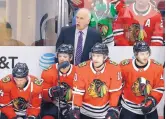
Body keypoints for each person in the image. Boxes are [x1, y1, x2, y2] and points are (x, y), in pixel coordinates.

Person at [69, 43, 123, 119]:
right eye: (93, 55)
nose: (95, 59)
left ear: (105, 57)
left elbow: (115, 92)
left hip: (104, 112)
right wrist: (76, 108)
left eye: (98, 56)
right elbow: (78, 92)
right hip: (85, 111)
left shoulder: (114, 68)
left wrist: (113, 109)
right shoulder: (81, 68)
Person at [119, 41, 164, 119]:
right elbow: (118, 85)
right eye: (142, 54)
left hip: (149, 110)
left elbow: (159, 87)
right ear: (136, 54)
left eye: (147, 53)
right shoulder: (124, 66)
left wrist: (152, 101)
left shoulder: (157, 67)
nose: (145, 56)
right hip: (129, 109)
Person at [40, 44, 76, 119]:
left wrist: (71, 106)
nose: (62, 59)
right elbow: (42, 93)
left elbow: (81, 93)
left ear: (71, 58)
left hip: (71, 105)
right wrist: (50, 92)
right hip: (53, 103)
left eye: (65, 56)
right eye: (60, 56)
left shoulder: (78, 72)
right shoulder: (48, 71)